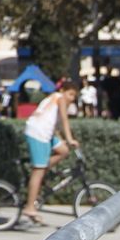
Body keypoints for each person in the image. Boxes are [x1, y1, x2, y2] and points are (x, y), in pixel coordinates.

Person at [19, 77, 82, 225]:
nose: (72, 99)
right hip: (38, 134)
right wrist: (70, 138)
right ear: (62, 91)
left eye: (74, 96)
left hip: (46, 133)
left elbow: (55, 124)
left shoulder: (54, 98)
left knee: (63, 150)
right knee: (38, 170)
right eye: (70, 94)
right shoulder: (59, 98)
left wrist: (64, 140)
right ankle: (29, 207)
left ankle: (44, 168)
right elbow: (65, 120)